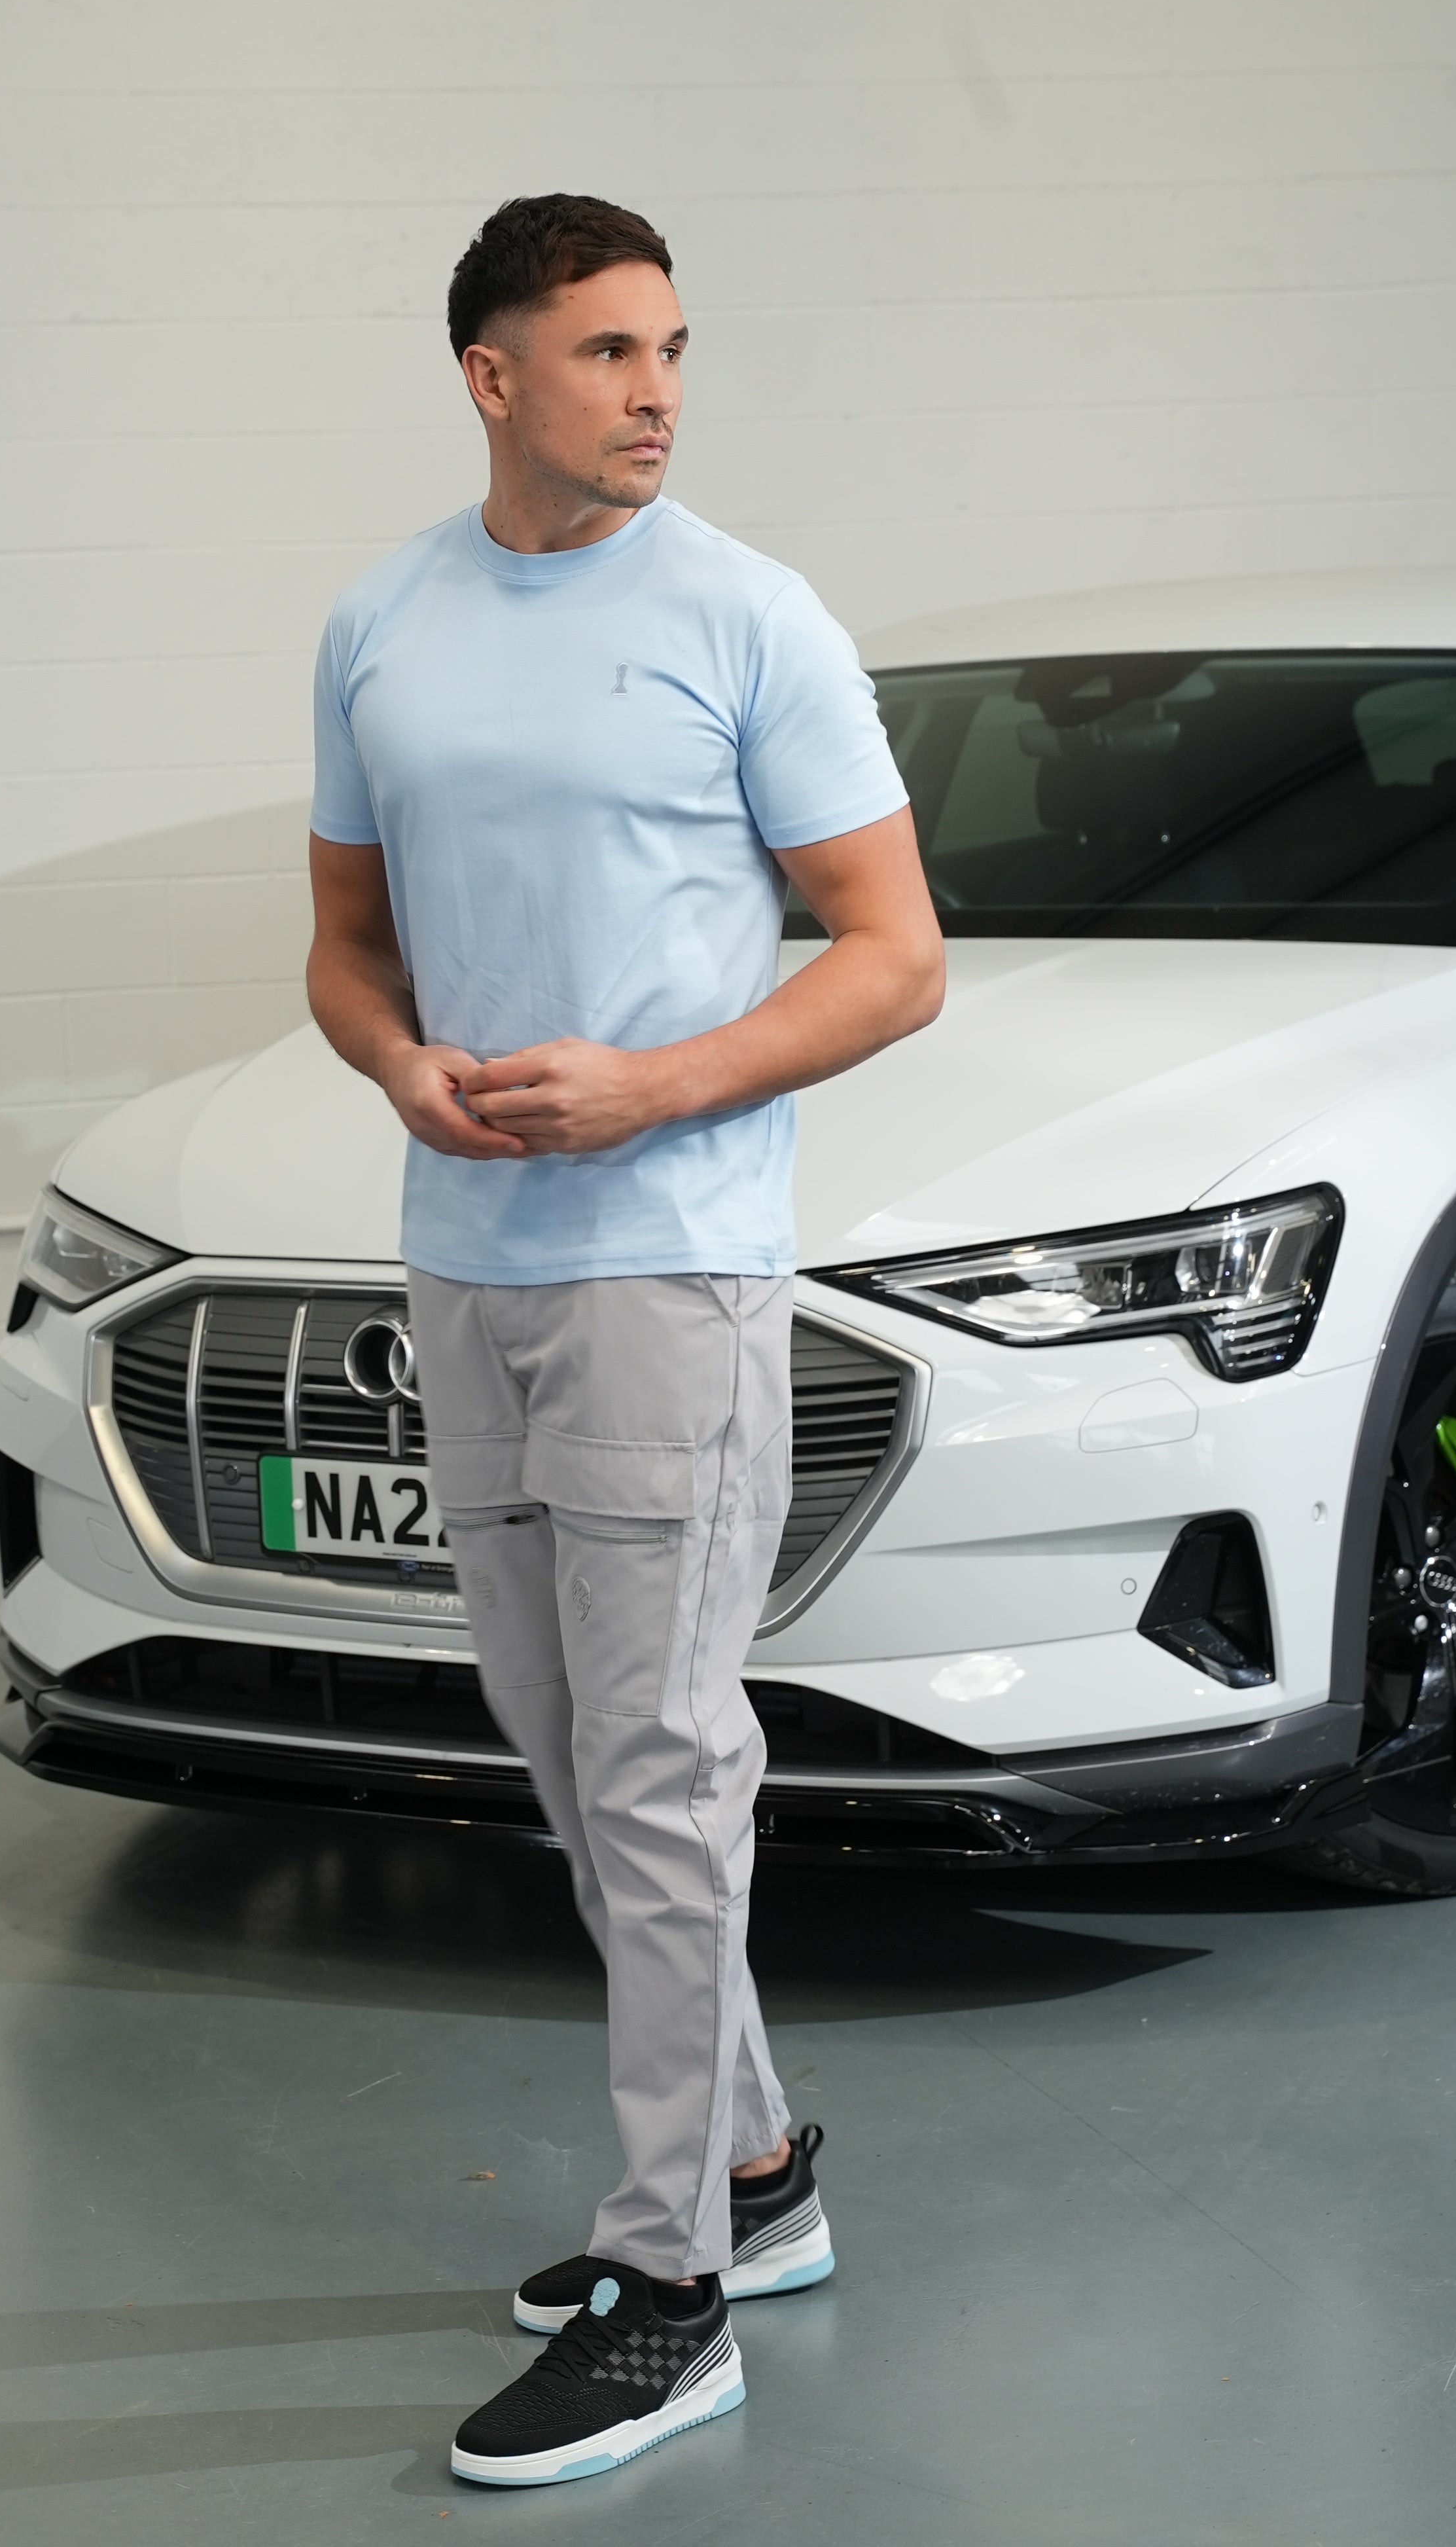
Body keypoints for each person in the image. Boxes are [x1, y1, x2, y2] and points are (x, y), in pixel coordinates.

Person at [306, 192, 944, 2486]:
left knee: (664, 1762)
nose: (657, 388)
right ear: (493, 376)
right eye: (606, 351)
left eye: (672, 346)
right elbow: (345, 943)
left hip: (673, 1264)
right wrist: (396, 1064)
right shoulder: (383, 621)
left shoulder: (750, 616)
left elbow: (895, 954)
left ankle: (670, 2297)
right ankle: (753, 2175)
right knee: (571, 1754)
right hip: (465, 1264)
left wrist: (654, 1088)